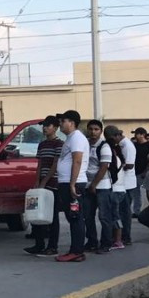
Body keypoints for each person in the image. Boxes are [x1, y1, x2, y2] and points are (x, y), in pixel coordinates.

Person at [55, 110, 89, 263]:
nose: (60, 124)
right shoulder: (70, 138)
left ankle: (77, 251)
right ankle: (75, 249)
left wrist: (72, 184)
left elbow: (77, 161)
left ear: (72, 123)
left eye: (63, 121)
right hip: (66, 182)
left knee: (75, 217)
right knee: (71, 216)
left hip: (74, 183)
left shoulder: (77, 138)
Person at [25, 115, 62, 256]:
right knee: (37, 214)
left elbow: (55, 164)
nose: (45, 128)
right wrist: (37, 181)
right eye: (44, 126)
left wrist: (45, 181)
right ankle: (39, 244)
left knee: (52, 217)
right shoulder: (42, 144)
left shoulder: (59, 144)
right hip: (41, 184)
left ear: (55, 128)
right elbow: (40, 164)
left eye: (48, 125)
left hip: (53, 184)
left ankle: (53, 246)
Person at [82, 119, 111, 254]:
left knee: (104, 216)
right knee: (88, 215)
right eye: (91, 129)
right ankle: (92, 241)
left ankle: (106, 243)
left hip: (102, 185)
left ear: (100, 131)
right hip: (87, 184)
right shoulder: (85, 144)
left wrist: (94, 184)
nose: (93, 132)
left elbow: (104, 167)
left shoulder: (104, 146)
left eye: (96, 129)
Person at [103, 125, 128, 251]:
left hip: (115, 189)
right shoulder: (118, 154)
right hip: (120, 189)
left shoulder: (112, 155)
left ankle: (118, 240)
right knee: (115, 215)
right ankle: (116, 239)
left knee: (115, 216)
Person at [131, 127, 149, 218]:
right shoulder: (134, 145)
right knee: (136, 193)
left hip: (144, 173)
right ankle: (137, 211)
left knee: (147, 192)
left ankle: (148, 211)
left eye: (137, 133)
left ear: (143, 134)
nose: (135, 135)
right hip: (134, 172)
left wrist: (146, 171)